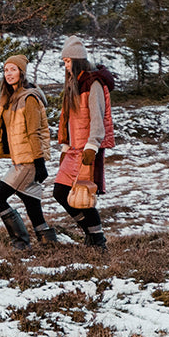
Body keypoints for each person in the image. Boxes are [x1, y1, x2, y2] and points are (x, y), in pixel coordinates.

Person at [0, 54, 57, 250]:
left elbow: (33, 132)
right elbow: (2, 129)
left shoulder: (29, 99)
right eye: (6, 70)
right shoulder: (11, 99)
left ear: (21, 72)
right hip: (21, 160)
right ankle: (48, 243)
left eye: (13, 69)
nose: (9, 73)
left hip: (29, 160)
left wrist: (40, 163)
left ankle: (21, 243)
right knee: (31, 202)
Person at [52, 35, 115, 251]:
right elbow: (68, 119)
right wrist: (65, 145)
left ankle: (98, 241)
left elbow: (98, 117)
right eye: (65, 61)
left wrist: (92, 145)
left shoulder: (92, 83)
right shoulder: (74, 84)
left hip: (87, 149)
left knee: (84, 195)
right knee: (60, 193)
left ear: (78, 60)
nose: (66, 65)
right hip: (73, 149)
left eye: (68, 61)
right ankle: (90, 233)